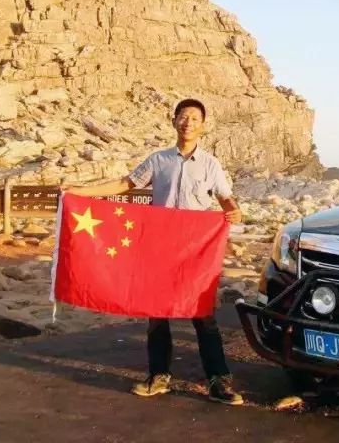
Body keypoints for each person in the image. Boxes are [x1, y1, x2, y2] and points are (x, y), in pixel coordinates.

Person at [65, 98, 245, 405]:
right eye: (183, 117)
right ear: (174, 121)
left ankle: (218, 380)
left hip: (195, 251)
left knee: (203, 315)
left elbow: (226, 199)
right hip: (160, 250)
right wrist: (78, 192)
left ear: (203, 125)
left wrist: (233, 211)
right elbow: (124, 184)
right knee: (157, 315)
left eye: (194, 118)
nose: (188, 122)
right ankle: (158, 375)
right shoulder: (158, 160)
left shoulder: (211, 165)